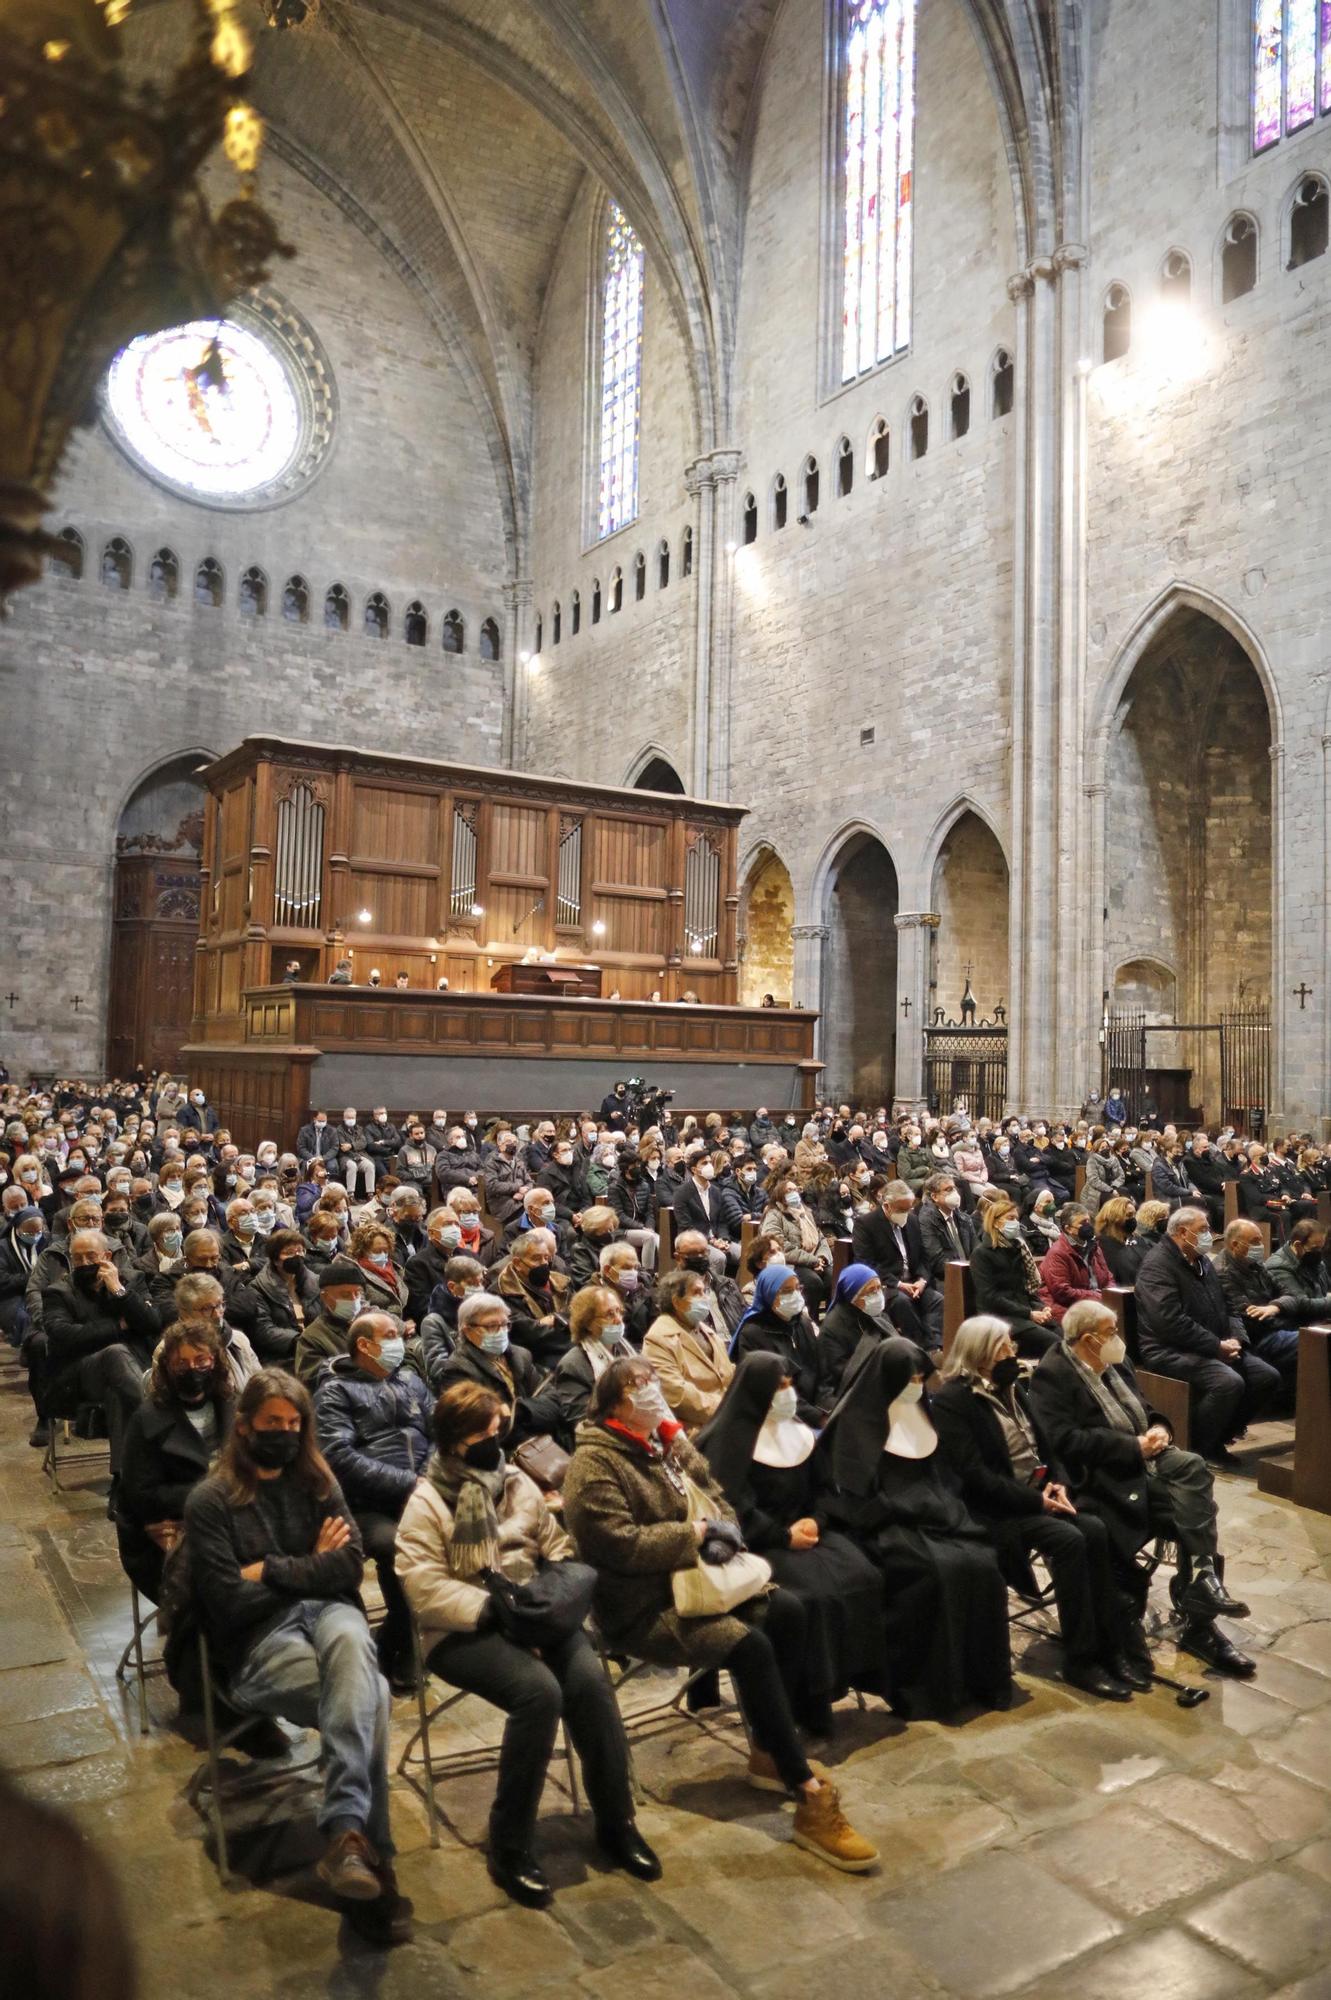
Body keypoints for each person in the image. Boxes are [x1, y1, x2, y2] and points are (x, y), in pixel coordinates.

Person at [562, 1355, 878, 1872]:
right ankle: (807, 1794)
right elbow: (617, 1546)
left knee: (790, 1611)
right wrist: (694, 1538)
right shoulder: (594, 1464)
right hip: (644, 1603)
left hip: (701, 1581)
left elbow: (714, 1492)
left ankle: (768, 1751)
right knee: (749, 1644)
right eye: (642, 1385)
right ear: (617, 1401)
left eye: (654, 1382)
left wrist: (721, 1531)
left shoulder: (664, 1440)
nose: (653, 1391)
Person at [396, 1379, 658, 1906]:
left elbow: (555, 1546)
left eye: (499, 1429)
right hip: (465, 1625)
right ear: (455, 1441)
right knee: (539, 1693)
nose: (497, 1441)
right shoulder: (428, 1500)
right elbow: (422, 1586)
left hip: (534, 1612)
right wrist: (498, 1611)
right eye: (486, 1434)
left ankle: (616, 1819)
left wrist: (543, 1603)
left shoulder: (517, 1482)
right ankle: (510, 1842)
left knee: (588, 1681)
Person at [184, 1369, 409, 1944]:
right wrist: (311, 1563)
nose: (284, 1432)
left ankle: (348, 1842)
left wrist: (273, 1568)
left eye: (293, 1423)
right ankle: (369, 1855)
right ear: (244, 1427)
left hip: (332, 1615)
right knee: (373, 1698)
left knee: (354, 1641)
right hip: (262, 1642)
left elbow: (351, 1560)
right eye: (272, 1424)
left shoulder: (316, 1480)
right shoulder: (212, 1500)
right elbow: (229, 1601)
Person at [1028, 1300, 1255, 1678]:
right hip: (1100, 1477)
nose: (1118, 1337)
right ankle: (1193, 1609)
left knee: (1193, 1470)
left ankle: (1200, 1598)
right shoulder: (1053, 1375)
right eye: (1111, 1331)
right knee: (1193, 1512)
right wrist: (1132, 1446)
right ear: (1088, 1340)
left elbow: (1143, 1409)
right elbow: (1065, 1441)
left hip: (1144, 1462)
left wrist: (1160, 1428)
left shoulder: (1117, 1361)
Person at [933, 1317, 1141, 1699]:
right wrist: (1036, 1499)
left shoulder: (1013, 1388)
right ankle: (1080, 1659)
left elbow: (1045, 1446)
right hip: (991, 1510)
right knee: (1068, 1540)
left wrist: (1058, 1481)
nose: (1012, 1353)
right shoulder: (953, 1401)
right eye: (1003, 1347)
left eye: (1011, 1344)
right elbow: (975, 1476)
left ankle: (1111, 1647)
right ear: (979, 1353)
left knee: (1094, 1529)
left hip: (1037, 1493)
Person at [816, 1337, 1012, 1720]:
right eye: (911, 1378)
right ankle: (928, 1690)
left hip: (936, 1516)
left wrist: (943, 1509)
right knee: (935, 1573)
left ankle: (981, 1682)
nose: (918, 1385)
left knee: (983, 1564)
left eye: (922, 1377)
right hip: (884, 1525)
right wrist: (907, 1510)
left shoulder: (923, 1411)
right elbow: (851, 1497)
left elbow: (943, 1475)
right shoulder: (856, 1422)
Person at [697, 1353, 888, 1731]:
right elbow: (733, 1510)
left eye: (789, 1385)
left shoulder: (797, 1430)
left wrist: (815, 1520)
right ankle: (809, 1705)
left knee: (864, 1575)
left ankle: (853, 1678)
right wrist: (783, 1535)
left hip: (806, 1532)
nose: (787, 1394)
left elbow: (822, 1487)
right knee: (813, 1597)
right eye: (778, 1387)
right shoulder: (726, 1441)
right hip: (756, 1544)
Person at [313, 1309, 433, 1689]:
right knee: (402, 1548)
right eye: (392, 1334)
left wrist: (431, 1477)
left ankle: (393, 1641)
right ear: (365, 1345)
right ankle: (403, 1646)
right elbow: (339, 1458)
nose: (400, 1340)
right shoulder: (335, 1391)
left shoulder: (411, 1381)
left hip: (420, 1493)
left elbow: (440, 1431)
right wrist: (409, 1483)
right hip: (363, 1505)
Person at [1134, 1207, 1282, 1464]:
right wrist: (1216, 1346)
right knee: (1228, 1383)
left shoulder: (1202, 1261)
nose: (1209, 1234)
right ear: (1182, 1232)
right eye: (1203, 1229)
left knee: (1266, 1376)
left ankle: (1222, 1436)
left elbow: (1229, 1305)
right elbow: (1169, 1322)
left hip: (1212, 1345)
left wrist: (1236, 1339)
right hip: (1169, 1349)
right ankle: (1199, 1448)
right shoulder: (1157, 1266)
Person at [117, 1319, 234, 1601]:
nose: (192, 1368)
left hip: (232, 1521)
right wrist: (215, 1488)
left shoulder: (233, 1407)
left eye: (201, 1359)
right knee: (227, 1587)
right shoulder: (146, 1420)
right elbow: (142, 1496)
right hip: (164, 1535)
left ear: (215, 1361)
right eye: (181, 1363)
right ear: (167, 1366)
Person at [40, 1228, 158, 1479]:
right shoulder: (58, 1292)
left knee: (117, 1395)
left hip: (128, 1375)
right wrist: (119, 1326)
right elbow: (63, 1334)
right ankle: (158, 1417)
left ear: (106, 1256)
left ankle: (122, 1481)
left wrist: (118, 1291)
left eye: (90, 1257)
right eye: (77, 1258)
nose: (83, 1263)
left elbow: (152, 1323)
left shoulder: (131, 1280)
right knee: (115, 1352)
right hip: (80, 1376)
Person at [435, 1290, 562, 1447]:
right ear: (467, 1330)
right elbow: (484, 1426)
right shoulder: (458, 1369)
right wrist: (534, 1414)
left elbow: (554, 1401)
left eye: (505, 1325)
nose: (501, 1331)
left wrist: (519, 1411)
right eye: (492, 1326)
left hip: (544, 1444)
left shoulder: (521, 1355)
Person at [1212, 1219, 1302, 1401]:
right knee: (1311, 1342)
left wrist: (1274, 1307)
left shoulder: (1255, 1265)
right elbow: (1250, 1318)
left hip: (1275, 1327)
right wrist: (1281, 1312)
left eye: (1260, 1241)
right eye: (1254, 1242)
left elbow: (1291, 1294)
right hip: (1257, 1338)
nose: (1260, 1246)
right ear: (1235, 1245)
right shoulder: (1223, 1273)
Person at [850, 1180, 943, 1349]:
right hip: (887, 1285)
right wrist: (899, 1284)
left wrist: (922, 1280)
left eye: (909, 1208)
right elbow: (866, 1264)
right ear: (887, 1206)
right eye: (902, 1209)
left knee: (936, 1300)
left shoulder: (912, 1221)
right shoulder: (866, 1224)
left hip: (914, 1282)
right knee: (902, 1302)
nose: (906, 1213)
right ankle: (918, 1349)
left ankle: (934, 1347)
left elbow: (923, 1258)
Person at [642, 1265, 734, 1429]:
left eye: (704, 1291)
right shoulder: (658, 1339)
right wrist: (725, 1409)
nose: (704, 1297)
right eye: (697, 1293)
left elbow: (727, 1374)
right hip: (693, 1431)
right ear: (677, 1302)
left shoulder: (706, 1331)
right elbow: (677, 1395)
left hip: (725, 1421)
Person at [968, 1195, 1059, 1356]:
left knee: (1068, 1337)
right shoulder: (982, 1254)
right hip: (999, 1316)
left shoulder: (1017, 1248)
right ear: (995, 1222)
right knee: (1055, 1343)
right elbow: (990, 1297)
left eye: (1016, 1218)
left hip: (1022, 1312)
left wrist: (1041, 1307)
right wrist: (1029, 1313)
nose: (1015, 1223)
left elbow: (1026, 1289)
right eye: (1010, 1218)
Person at [730, 1264, 822, 1422]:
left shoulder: (803, 1323)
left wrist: (826, 1407)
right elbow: (772, 1390)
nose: (795, 1295)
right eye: (786, 1291)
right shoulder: (753, 1334)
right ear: (769, 1294)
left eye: (797, 1288)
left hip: (813, 1407)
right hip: (777, 1414)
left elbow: (820, 1370)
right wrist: (818, 1417)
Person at [548, 1283, 631, 1431]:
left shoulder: (625, 1350)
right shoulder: (573, 1365)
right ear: (587, 1323)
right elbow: (581, 1421)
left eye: (619, 1312)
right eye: (609, 1314)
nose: (618, 1319)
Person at [814, 1263, 890, 1404]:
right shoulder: (832, 1329)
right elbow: (840, 1374)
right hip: (852, 1393)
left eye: (879, 1288)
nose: (878, 1295)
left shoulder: (877, 1315)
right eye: (871, 1291)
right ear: (852, 1296)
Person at [758, 1174, 831, 1315]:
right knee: (813, 1283)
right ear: (780, 1195)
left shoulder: (807, 1213)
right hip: (791, 1262)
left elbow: (821, 1239)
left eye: (796, 1190)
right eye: (789, 1191)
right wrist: (812, 1261)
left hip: (814, 1259)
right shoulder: (774, 1214)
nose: (794, 1193)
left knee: (832, 1278)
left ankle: (826, 1322)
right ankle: (808, 1320)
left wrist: (822, 1258)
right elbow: (780, 1246)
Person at [293, 1257, 368, 1386]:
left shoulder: (372, 1322)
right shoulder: (312, 1339)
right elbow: (313, 1380)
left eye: (357, 1293)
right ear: (325, 1297)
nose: (353, 1300)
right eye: (345, 1295)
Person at [250, 1227, 320, 1363]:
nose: (296, 1256)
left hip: (318, 1350)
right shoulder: (258, 1288)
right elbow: (264, 1330)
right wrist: (300, 1341)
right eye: (289, 1253)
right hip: (283, 1356)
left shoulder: (317, 1281)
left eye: (300, 1251)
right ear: (275, 1260)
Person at [1040, 1203, 1112, 1322]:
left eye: (1088, 1222)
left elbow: (1108, 1278)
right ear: (1068, 1229)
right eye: (1082, 1223)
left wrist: (1111, 1296)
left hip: (1094, 1303)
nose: (1087, 1226)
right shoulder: (1058, 1253)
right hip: (1066, 1307)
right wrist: (1097, 1297)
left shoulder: (1094, 1247)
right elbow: (1062, 1292)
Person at [1094, 1196, 1145, 1285]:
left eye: (1134, 1215)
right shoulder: (1101, 1246)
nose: (1133, 1219)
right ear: (1114, 1218)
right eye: (1129, 1215)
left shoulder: (1138, 1241)